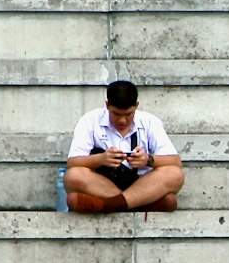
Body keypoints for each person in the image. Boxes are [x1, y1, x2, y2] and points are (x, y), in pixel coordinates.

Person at [64, 80, 184, 214]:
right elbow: (73, 163)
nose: (122, 120)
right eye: (116, 114)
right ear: (107, 105)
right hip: (103, 184)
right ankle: (138, 204)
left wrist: (148, 160)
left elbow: (175, 161)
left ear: (136, 106)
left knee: (175, 174)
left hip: (143, 184)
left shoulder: (150, 122)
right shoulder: (90, 120)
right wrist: (101, 159)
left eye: (128, 114)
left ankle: (111, 205)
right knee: (72, 176)